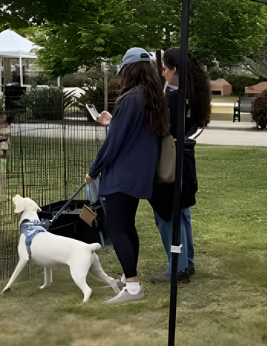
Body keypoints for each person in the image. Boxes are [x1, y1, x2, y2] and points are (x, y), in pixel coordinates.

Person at [85, 47, 170, 304]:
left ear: (129, 70)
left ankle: (133, 288)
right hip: (141, 174)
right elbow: (131, 130)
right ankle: (125, 278)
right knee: (128, 225)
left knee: (117, 227)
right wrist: (115, 120)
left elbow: (115, 141)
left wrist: (93, 169)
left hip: (122, 173)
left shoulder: (130, 98)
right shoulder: (154, 97)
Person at [148, 48, 211, 283]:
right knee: (182, 213)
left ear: (174, 69)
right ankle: (186, 263)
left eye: (164, 68)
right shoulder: (192, 96)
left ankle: (178, 267)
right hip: (184, 161)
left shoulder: (173, 99)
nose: (162, 72)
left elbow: (161, 129)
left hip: (169, 163)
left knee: (167, 214)